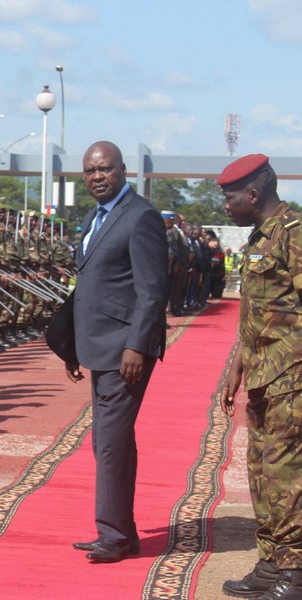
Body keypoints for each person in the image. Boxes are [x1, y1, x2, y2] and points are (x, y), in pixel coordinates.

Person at [66, 141, 168, 563]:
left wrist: (136, 346)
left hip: (124, 351)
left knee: (108, 442)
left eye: (105, 169)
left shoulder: (140, 217)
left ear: (123, 170)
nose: (96, 177)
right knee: (114, 442)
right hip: (98, 346)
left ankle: (113, 535)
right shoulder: (94, 216)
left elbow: (152, 291)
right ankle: (121, 530)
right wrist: (72, 345)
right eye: (90, 171)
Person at [218, 153, 302, 600]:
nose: (225, 206)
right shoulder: (258, 238)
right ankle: (271, 561)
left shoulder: (294, 234)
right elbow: (256, 316)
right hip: (263, 378)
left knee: (287, 474)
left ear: (253, 193)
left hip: (293, 378)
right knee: (261, 472)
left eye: (229, 197)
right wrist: (236, 367)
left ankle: (297, 570)